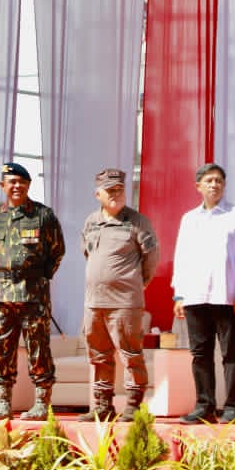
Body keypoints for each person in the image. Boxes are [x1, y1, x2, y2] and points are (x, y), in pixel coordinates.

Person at [0, 162, 65, 420]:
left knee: (38, 348)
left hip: (33, 295)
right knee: (3, 350)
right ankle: (3, 404)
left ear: (28, 185)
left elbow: (57, 251)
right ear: (3, 185)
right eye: (12, 182)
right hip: (1, 296)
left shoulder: (43, 215)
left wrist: (38, 277)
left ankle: (41, 404)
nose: (17, 186)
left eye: (22, 182)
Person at [172, 163, 235, 425]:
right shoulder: (189, 219)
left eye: (219, 180)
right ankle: (204, 405)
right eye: (209, 181)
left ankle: (232, 408)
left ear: (224, 185)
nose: (214, 185)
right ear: (198, 186)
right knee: (200, 354)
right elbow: (181, 257)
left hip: (226, 295)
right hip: (195, 296)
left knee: (231, 354)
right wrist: (179, 294)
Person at [79, 168, 160, 422]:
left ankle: (133, 406)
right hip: (94, 302)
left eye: (120, 189)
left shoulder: (137, 222)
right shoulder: (91, 221)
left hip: (125, 302)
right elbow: (87, 253)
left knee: (131, 355)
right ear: (98, 194)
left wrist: (136, 283)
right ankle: (102, 406)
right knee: (99, 356)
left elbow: (151, 259)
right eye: (110, 190)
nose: (116, 194)